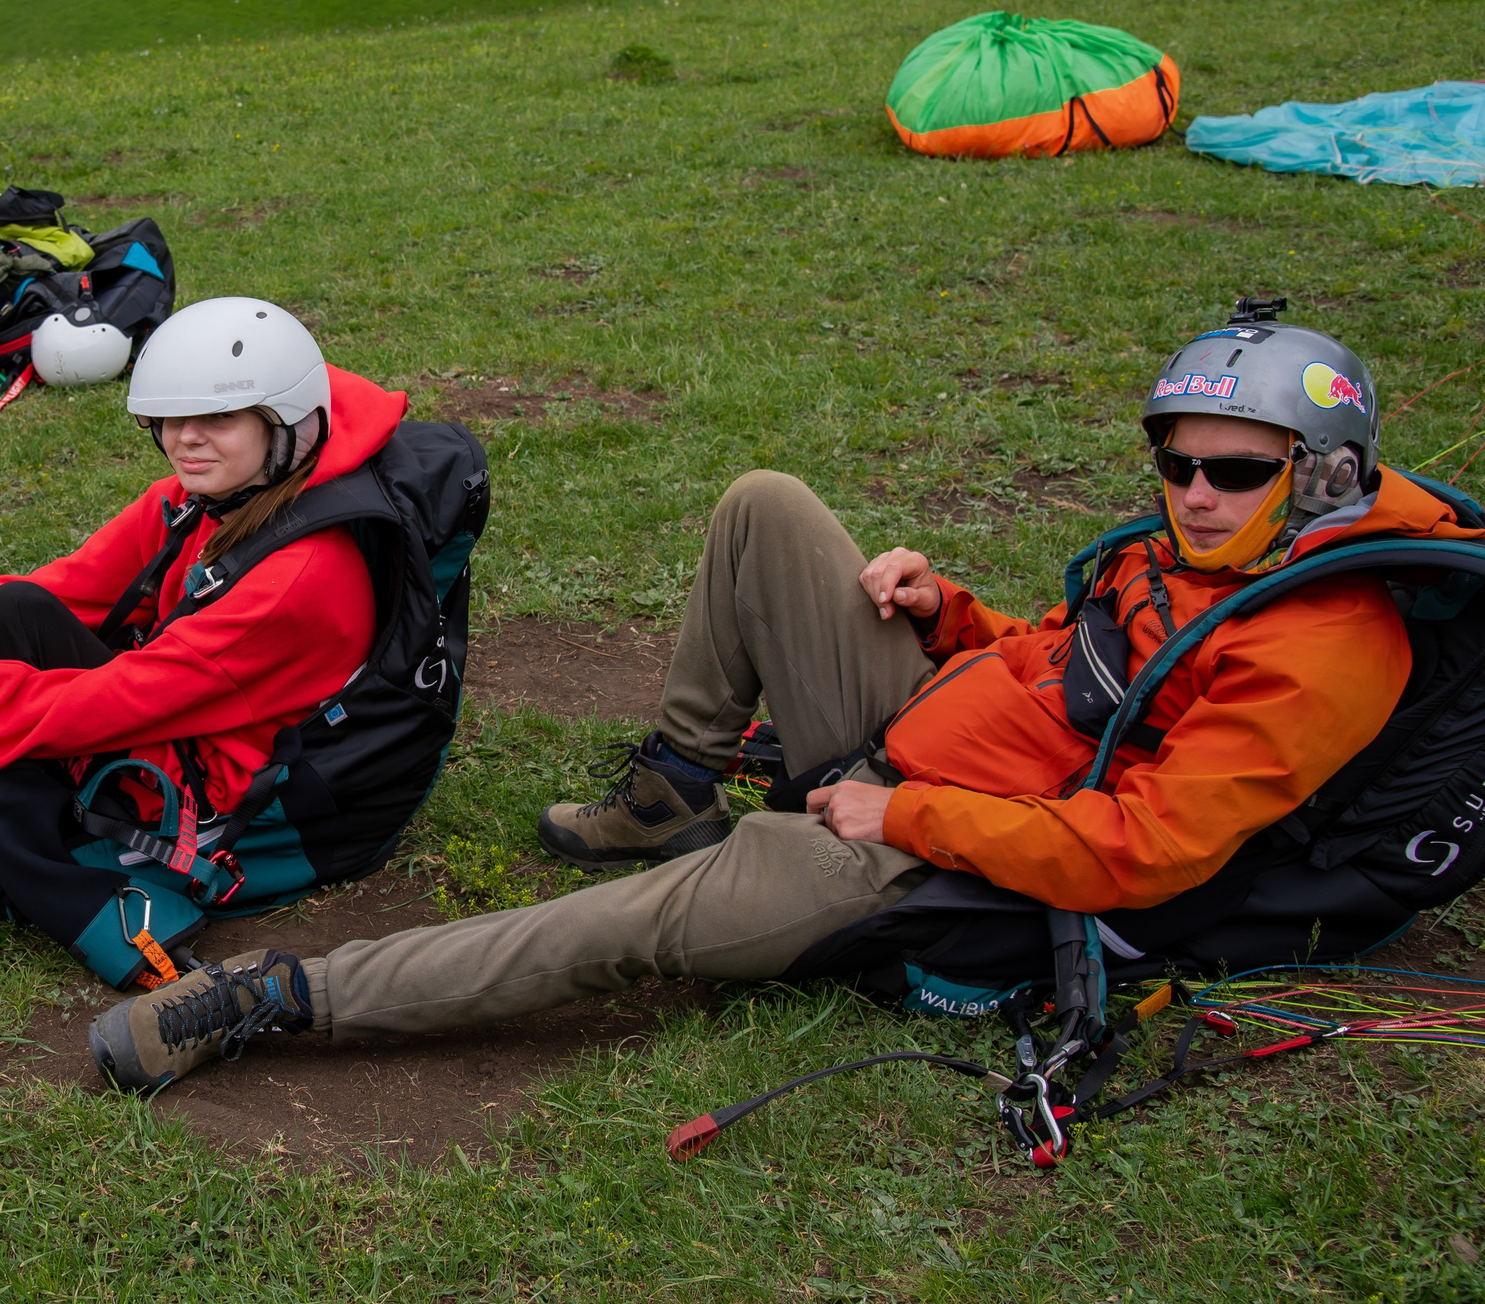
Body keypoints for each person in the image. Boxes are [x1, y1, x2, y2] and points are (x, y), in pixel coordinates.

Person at [88, 302, 1479, 1091]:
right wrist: (955, 617)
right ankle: (673, 784)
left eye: (1235, 472)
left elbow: (1149, 850)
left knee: (636, 926)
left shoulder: (1324, 644)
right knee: (767, 507)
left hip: (940, 857)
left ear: (1330, 473)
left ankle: (277, 1000)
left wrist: (904, 811)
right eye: (1178, 461)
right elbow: (1083, 660)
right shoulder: (1204, 556)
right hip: (930, 747)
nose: (1192, 492)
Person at [0, 298, 395, 973]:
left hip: (204, 780)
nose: (186, 436)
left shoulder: (300, 577)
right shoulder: (209, 497)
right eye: (172, 416)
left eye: (218, 416)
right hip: (172, 706)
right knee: (8, 614)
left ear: (287, 424)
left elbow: (114, 700)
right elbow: (67, 586)